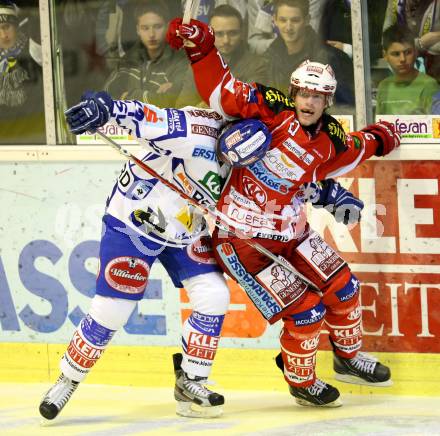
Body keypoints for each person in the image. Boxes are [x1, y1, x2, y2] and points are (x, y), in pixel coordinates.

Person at [38, 90, 361, 419]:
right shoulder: (195, 129)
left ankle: (191, 381)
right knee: (112, 310)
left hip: (184, 229)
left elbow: (290, 181)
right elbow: (146, 117)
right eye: (230, 152)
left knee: (214, 294)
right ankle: (68, 380)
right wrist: (106, 109)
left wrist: (330, 194)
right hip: (134, 219)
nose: (236, 161)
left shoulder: (261, 151)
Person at [166, 17, 401, 407]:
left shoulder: (329, 139)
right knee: (306, 312)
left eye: (318, 96)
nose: (309, 102)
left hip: (293, 233)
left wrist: (382, 137)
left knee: (345, 288)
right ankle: (301, 381)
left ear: (328, 101)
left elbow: (356, 148)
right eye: (304, 93)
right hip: (242, 240)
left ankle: (347, 356)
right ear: (293, 92)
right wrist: (202, 48)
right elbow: (223, 94)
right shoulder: (269, 110)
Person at [260, 0, 355, 110]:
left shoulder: (330, 58)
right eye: (283, 20)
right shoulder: (268, 58)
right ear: (274, 20)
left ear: (307, 20)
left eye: (295, 20)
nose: (288, 27)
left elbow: (348, 108)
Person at [176, 4, 268, 107]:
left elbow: (251, 105)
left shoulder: (257, 65)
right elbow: (182, 108)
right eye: (219, 34)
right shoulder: (198, 64)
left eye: (232, 33)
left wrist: (204, 106)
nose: (226, 41)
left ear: (242, 33)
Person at [104, 0, 188, 107]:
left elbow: (172, 101)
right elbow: (107, 94)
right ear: (138, 30)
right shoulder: (129, 60)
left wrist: (127, 96)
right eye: (145, 28)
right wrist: (152, 97)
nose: (151, 34)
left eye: (157, 27)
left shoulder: (180, 60)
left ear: (167, 27)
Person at [0, 0, 45, 144]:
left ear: (17, 27)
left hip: (39, 137)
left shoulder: (33, 48)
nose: (3, 35)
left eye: (7, 27)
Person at [376, 24, 440, 115]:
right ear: (385, 56)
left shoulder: (429, 86)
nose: (403, 59)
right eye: (396, 54)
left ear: (416, 52)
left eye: (408, 52)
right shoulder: (384, 86)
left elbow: (436, 126)